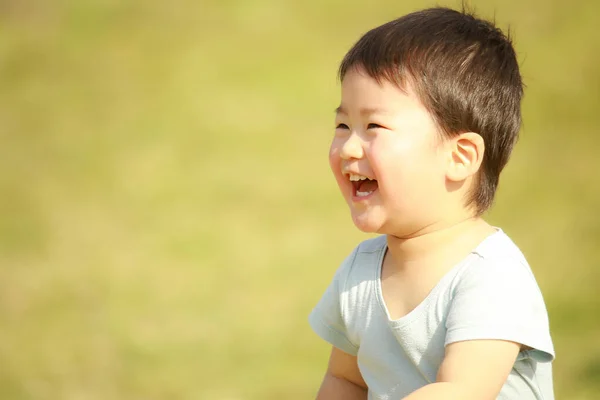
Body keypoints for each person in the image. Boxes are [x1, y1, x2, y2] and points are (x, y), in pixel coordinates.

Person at [308, 6, 555, 400]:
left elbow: (462, 390)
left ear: (459, 157)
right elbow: (345, 380)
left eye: (373, 126)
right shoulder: (361, 272)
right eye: (343, 125)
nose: (349, 146)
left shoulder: (491, 277)